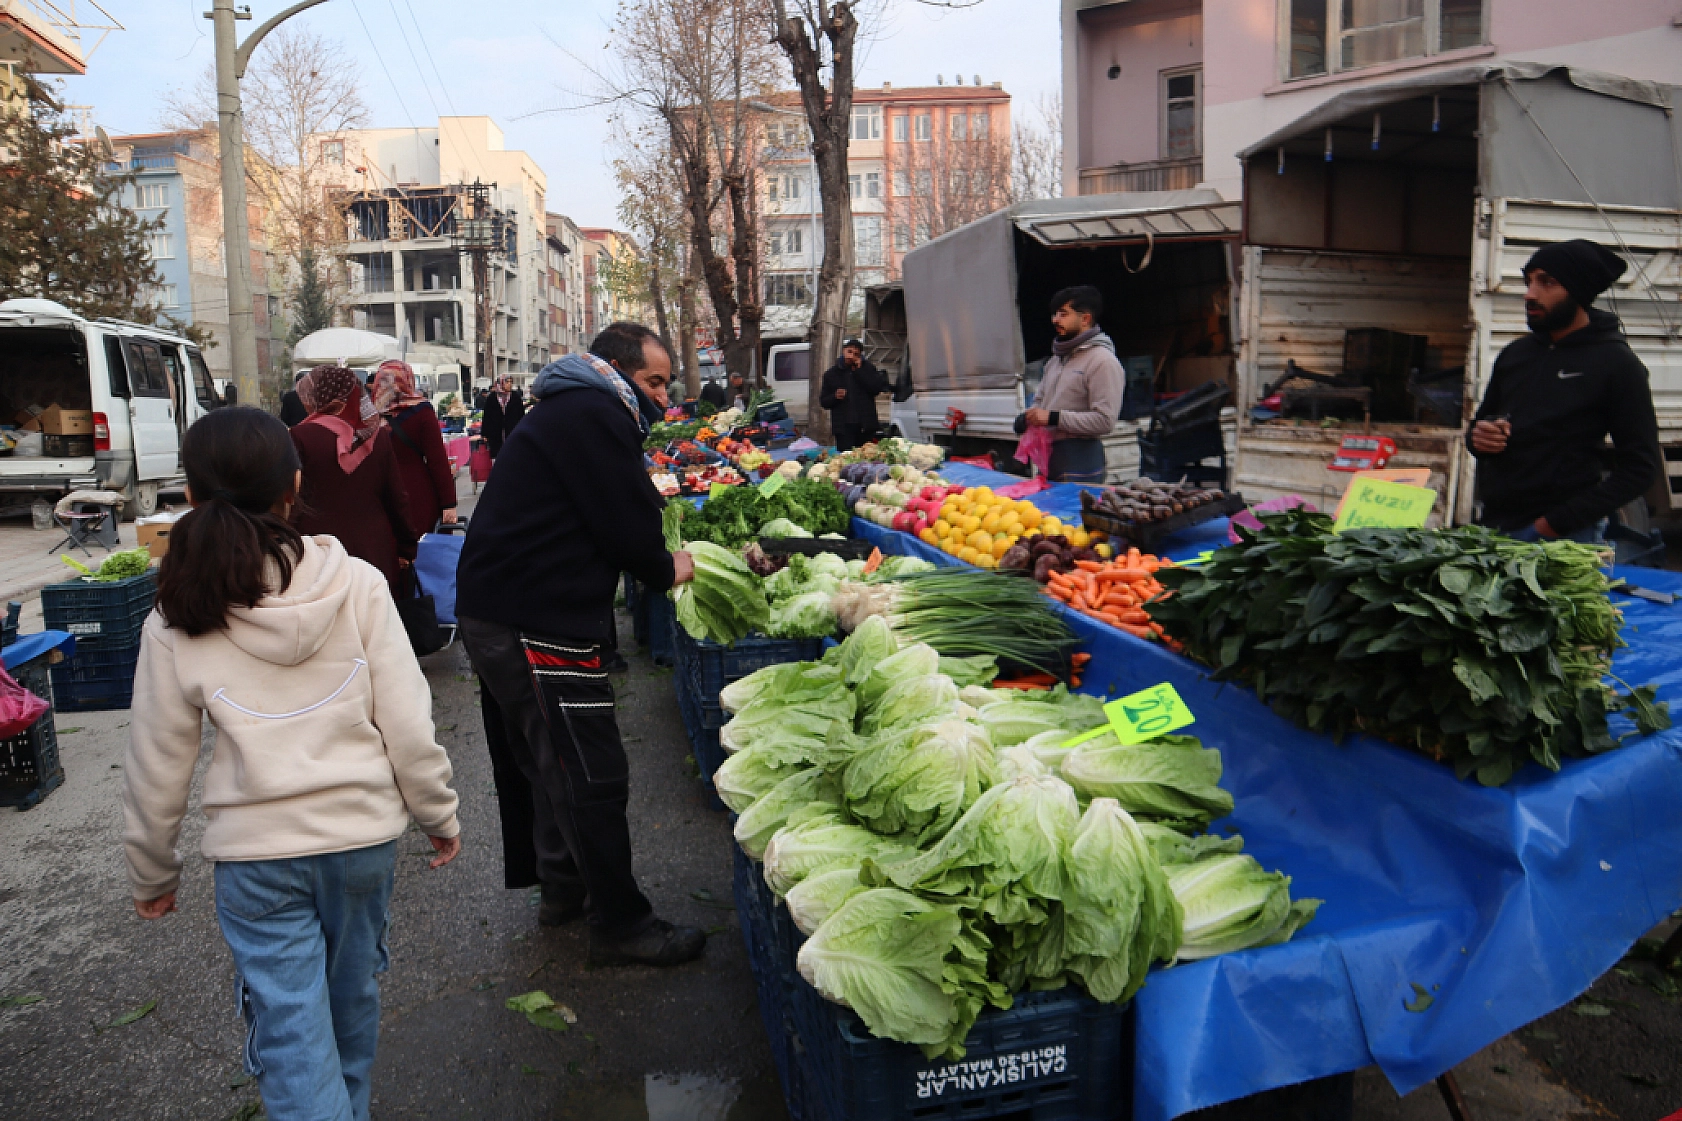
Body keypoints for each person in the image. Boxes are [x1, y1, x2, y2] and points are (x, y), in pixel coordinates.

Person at [123, 406, 460, 1121]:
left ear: (189, 495)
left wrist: (152, 867)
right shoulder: (358, 583)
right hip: (361, 842)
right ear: (294, 483)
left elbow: (157, 757)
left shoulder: (178, 609)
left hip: (258, 862)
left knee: (291, 1035)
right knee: (351, 1010)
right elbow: (405, 719)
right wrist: (437, 812)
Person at [454, 321, 706, 967]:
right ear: (618, 368)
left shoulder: (572, 408)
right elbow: (624, 523)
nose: (660, 396)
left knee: (550, 763)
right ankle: (622, 923)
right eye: (653, 381)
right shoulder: (596, 412)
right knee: (589, 770)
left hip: (505, 611)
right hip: (532, 619)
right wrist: (665, 564)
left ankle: (564, 890)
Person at [1467, 239, 1661, 543]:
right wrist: (1479, 436)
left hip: (1565, 537)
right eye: (1529, 281)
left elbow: (1640, 468)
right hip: (1495, 526)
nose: (1530, 294)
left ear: (1579, 290)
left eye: (1548, 282)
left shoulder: (1617, 363)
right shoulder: (1515, 354)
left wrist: (1554, 524)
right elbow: (1480, 426)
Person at [290, 366, 417, 590]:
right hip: (374, 552)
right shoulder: (376, 435)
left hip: (318, 555)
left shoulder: (300, 437)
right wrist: (407, 547)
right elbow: (398, 498)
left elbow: (292, 500)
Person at [1014, 286, 1124, 484]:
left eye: (1063, 314)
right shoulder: (1055, 361)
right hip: (1050, 458)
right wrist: (1027, 418)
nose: (1055, 320)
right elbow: (1040, 401)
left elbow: (1105, 421)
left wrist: (1053, 418)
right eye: (1055, 314)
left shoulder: (1103, 361)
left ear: (1085, 319)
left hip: (1081, 460)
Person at [371, 360, 458, 538]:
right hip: (418, 493)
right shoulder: (421, 411)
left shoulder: (369, 416)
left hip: (381, 496)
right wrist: (448, 503)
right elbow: (437, 460)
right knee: (424, 553)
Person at [820, 339, 889, 451]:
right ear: (843, 351)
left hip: (865, 426)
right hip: (844, 428)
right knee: (846, 459)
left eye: (856, 354)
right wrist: (835, 397)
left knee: (867, 458)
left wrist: (859, 371)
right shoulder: (831, 374)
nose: (851, 356)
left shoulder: (868, 368)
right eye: (849, 351)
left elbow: (876, 389)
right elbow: (823, 402)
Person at [478, 374, 526, 460]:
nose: (509, 384)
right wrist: (484, 434)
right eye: (507, 382)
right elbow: (487, 416)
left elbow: (521, 415)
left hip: (512, 432)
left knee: (512, 456)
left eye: (511, 382)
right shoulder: (492, 398)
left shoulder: (515, 397)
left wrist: (522, 430)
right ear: (501, 383)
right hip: (495, 433)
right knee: (497, 457)